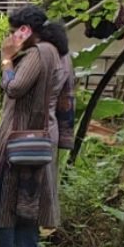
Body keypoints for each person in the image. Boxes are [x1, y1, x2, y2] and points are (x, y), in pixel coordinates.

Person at [0, 6, 61, 247]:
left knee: (6, 205)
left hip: (20, 141)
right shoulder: (54, 53)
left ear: (25, 31)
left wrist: (7, 59)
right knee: (27, 209)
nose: (10, 36)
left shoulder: (37, 54)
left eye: (13, 31)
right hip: (39, 140)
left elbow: (14, 88)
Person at [42, 21, 76, 161]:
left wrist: (6, 62)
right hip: (52, 127)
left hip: (32, 130)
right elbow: (68, 94)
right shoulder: (65, 57)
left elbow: (14, 87)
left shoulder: (43, 54)